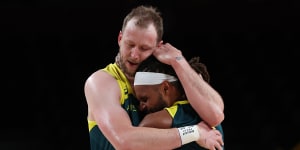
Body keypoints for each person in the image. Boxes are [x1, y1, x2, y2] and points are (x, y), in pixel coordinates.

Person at [84, 5, 225, 150]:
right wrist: (194, 132)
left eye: (144, 48)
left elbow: (216, 115)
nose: (134, 55)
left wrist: (178, 61)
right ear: (120, 38)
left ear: (158, 47)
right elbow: (124, 141)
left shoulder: (171, 76)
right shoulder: (101, 82)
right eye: (130, 44)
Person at [134, 55, 225, 150]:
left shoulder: (156, 120)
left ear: (165, 88)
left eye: (144, 99)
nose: (141, 107)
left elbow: (137, 140)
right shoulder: (207, 112)